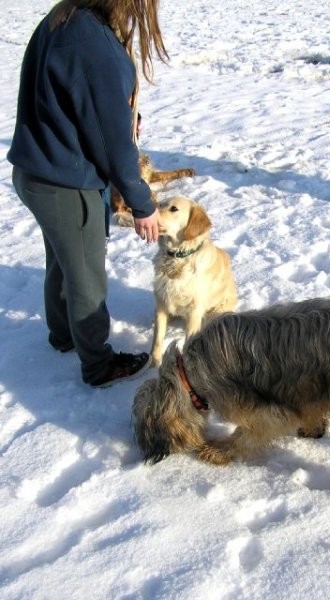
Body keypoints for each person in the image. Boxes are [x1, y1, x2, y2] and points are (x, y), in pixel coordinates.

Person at [7, 0, 169, 387]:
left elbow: (81, 100)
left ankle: (64, 335)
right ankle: (98, 364)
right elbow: (112, 145)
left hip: (37, 170)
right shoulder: (89, 40)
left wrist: (121, 113)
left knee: (64, 260)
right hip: (65, 181)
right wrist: (141, 202)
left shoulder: (65, 17)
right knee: (87, 277)